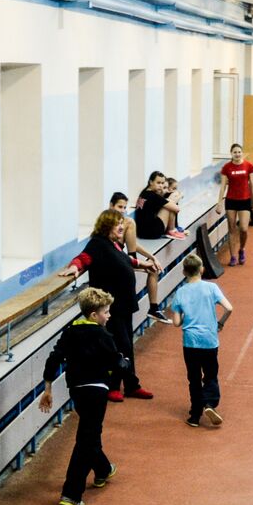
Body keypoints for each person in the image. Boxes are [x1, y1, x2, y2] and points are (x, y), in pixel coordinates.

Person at [39, 287, 126, 505]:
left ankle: (103, 470)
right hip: (97, 391)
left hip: (77, 391)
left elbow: (54, 359)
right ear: (94, 315)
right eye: (106, 312)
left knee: (89, 432)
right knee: (86, 440)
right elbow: (116, 362)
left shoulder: (70, 332)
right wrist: (122, 363)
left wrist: (48, 388)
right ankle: (71, 494)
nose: (108, 316)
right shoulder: (103, 335)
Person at [58, 210, 153, 402]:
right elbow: (82, 259)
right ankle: (113, 386)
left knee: (127, 345)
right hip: (111, 308)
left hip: (124, 304)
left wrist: (143, 265)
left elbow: (127, 260)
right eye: (117, 223)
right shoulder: (97, 244)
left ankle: (132, 385)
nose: (121, 226)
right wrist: (74, 268)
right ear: (105, 226)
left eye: (121, 223)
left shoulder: (114, 245)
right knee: (119, 345)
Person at [167, 252, 232, 429]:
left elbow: (176, 323)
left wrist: (181, 316)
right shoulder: (211, 288)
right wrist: (220, 323)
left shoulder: (180, 293)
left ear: (184, 272)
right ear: (202, 269)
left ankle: (195, 415)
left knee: (194, 378)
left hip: (190, 342)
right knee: (210, 375)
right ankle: (209, 403)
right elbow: (229, 308)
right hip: (209, 340)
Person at [108, 192, 165, 324]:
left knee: (153, 268)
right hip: (114, 264)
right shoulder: (112, 223)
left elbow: (132, 243)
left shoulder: (122, 223)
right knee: (130, 222)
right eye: (119, 207)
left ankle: (153, 309)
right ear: (111, 205)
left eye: (124, 208)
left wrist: (151, 256)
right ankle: (132, 260)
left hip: (124, 260)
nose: (122, 211)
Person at [219, 143, 253, 266]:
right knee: (231, 229)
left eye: (239, 152)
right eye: (235, 152)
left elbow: (252, 184)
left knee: (244, 229)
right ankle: (233, 256)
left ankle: (241, 249)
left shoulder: (248, 166)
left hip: (244, 200)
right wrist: (219, 203)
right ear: (231, 153)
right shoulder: (227, 167)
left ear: (242, 153)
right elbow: (223, 186)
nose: (237, 154)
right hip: (231, 200)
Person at [135, 171, 185, 240]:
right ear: (151, 182)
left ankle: (173, 229)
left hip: (140, 233)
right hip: (152, 233)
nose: (161, 186)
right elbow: (177, 209)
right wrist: (180, 196)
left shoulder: (144, 193)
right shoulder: (154, 196)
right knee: (170, 204)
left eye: (162, 183)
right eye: (158, 183)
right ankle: (171, 231)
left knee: (167, 202)